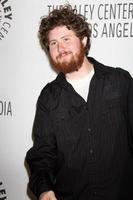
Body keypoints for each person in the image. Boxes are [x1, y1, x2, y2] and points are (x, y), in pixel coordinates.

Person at [26, 4, 133, 200]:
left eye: (66, 39)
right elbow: (42, 154)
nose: (60, 48)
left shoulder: (120, 82)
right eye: (53, 43)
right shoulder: (48, 97)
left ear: (83, 40)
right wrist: (44, 189)